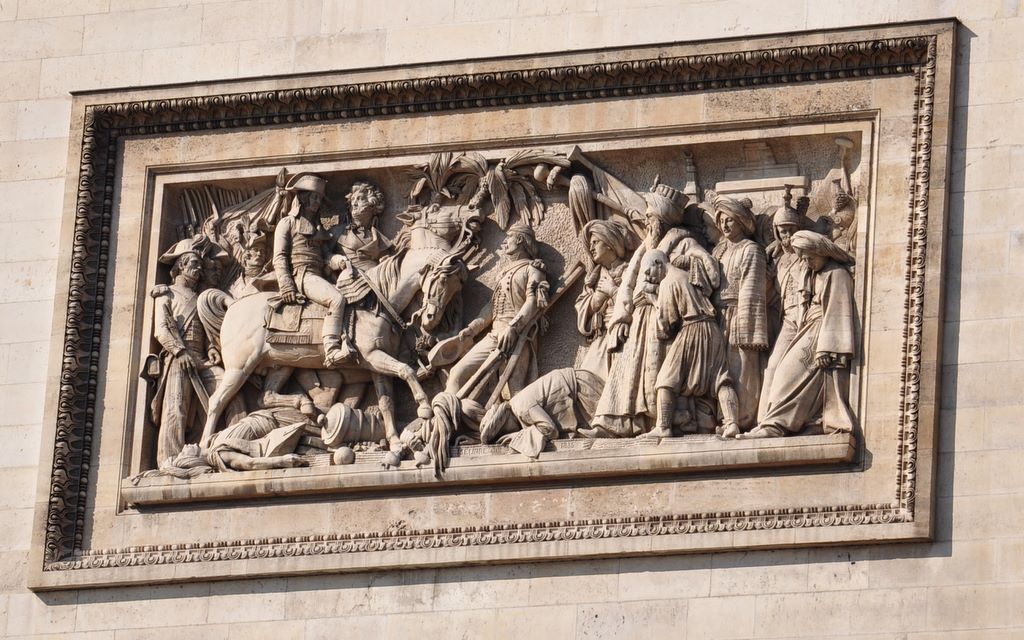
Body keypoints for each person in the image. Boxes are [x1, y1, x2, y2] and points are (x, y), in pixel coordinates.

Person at [587, 183, 718, 437]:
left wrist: (687, 265)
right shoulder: (646, 246)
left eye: (649, 215)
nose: (645, 220)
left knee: (661, 374)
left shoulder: (683, 242)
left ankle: (671, 420)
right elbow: (629, 281)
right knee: (628, 372)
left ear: (660, 218)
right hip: (641, 317)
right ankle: (617, 422)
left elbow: (708, 270)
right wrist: (622, 316)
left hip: (668, 318)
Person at [742, 230, 857, 438]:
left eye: (810, 257)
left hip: (821, 334)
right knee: (780, 372)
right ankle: (775, 422)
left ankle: (775, 425)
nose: (807, 262)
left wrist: (826, 348)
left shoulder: (836, 274)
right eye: (803, 258)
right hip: (808, 328)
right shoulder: (814, 273)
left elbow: (837, 312)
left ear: (821, 252)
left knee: (787, 374)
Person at [445, 223, 549, 401]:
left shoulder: (533, 269)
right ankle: (445, 421)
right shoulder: (504, 273)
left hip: (516, 337)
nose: (505, 242)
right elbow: (491, 307)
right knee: (456, 373)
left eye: (509, 237)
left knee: (515, 392)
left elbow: (534, 302)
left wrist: (513, 328)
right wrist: (472, 329)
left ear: (520, 239)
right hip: (494, 336)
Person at [151, 238, 230, 464]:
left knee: (225, 387)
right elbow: (162, 329)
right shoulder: (167, 294)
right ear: (181, 266)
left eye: (199, 265)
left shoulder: (200, 297)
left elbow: (205, 330)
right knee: (176, 408)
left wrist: (212, 349)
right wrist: (179, 351)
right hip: (178, 358)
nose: (198, 269)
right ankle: (169, 460)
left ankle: (214, 448)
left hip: (200, 358)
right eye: (194, 264)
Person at [649, 251, 738, 438]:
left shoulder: (667, 282)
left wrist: (654, 301)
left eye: (649, 272)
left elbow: (666, 324)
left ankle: (663, 426)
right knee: (721, 378)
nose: (649, 278)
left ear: (658, 263)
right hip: (712, 328)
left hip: (691, 328)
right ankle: (732, 423)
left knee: (666, 378)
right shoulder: (689, 275)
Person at [272, 173, 355, 367]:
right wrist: (286, 287)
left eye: (319, 198)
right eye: (314, 197)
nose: (317, 202)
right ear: (302, 197)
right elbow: (279, 257)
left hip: (318, 275)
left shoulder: (318, 228)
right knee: (337, 299)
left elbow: (325, 256)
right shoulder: (287, 223)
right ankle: (332, 349)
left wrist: (338, 260)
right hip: (302, 276)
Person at [710, 193, 769, 433]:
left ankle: (743, 418)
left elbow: (752, 288)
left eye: (730, 220)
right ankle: (724, 418)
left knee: (742, 368)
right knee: (719, 371)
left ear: (742, 222)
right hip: (717, 316)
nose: (724, 224)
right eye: (721, 219)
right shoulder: (718, 251)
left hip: (740, 315)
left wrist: (745, 326)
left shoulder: (751, 249)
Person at [758, 196, 809, 421]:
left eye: (791, 230)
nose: (788, 237)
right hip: (788, 319)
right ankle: (764, 419)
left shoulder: (807, 258)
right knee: (773, 366)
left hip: (806, 318)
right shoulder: (778, 261)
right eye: (783, 232)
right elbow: (770, 296)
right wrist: (768, 277)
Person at [478, 367, 604, 458]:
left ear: (505, 420)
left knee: (614, 428)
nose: (511, 432)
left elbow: (550, 430)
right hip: (576, 394)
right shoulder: (517, 406)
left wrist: (515, 437)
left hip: (582, 387)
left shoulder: (521, 408)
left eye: (505, 431)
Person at [574, 219, 632, 379]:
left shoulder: (629, 271)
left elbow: (636, 303)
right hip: (600, 338)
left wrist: (612, 290)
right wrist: (597, 298)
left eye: (595, 242)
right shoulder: (594, 278)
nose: (591, 248)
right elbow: (582, 306)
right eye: (590, 244)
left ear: (609, 243)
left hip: (622, 337)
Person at [330, 180, 393, 301]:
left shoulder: (378, 237)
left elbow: (387, 263)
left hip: (375, 286)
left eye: (359, 199)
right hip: (348, 282)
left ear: (372, 205)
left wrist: (385, 262)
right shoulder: (339, 232)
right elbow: (324, 255)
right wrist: (336, 260)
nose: (354, 203)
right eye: (353, 199)